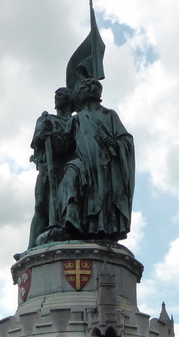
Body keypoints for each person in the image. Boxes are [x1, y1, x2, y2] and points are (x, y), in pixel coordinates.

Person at [50, 77, 135, 243]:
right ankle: (71, 223)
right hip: (81, 162)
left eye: (81, 90)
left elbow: (126, 140)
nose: (78, 94)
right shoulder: (76, 119)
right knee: (68, 181)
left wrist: (117, 144)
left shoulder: (108, 115)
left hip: (103, 163)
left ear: (91, 92)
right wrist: (50, 137)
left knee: (102, 194)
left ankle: (101, 229)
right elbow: (65, 145)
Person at [27, 87, 74, 249]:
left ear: (69, 99)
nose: (56, 98)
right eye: (55, 95)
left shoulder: (74, 121)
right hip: (47, 168)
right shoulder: (47, 119)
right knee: (40, 205)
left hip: (66, 169)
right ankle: (31, 247)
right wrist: (42, 135)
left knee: (64, 207)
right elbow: (35, 142)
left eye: (60, 95)